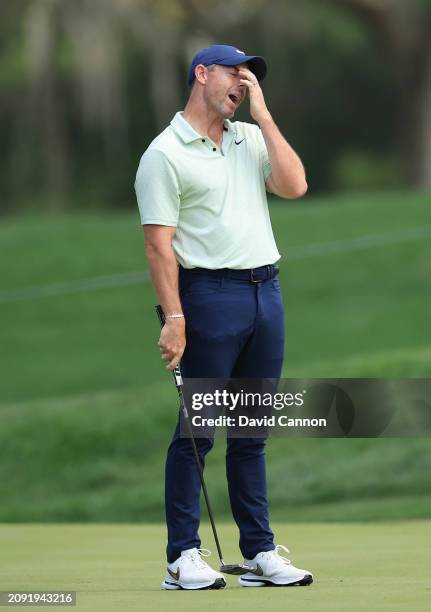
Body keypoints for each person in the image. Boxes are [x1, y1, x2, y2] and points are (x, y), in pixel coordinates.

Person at [134, 44, 313, 591]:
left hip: (267, 292)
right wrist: (175, 317)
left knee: (252, 433)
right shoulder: (164, 154)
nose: (244, 83)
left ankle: (258, 553)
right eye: (235, 75)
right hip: (208, 295)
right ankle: (181, 556)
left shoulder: (250, 137)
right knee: (199, 432)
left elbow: (294, 186)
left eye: (251, 78)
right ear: (202, 74)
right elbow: (159, 248)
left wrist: (263, 115)